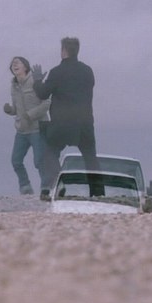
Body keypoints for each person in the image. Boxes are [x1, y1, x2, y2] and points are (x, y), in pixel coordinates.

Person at [32, 37, 100, 201]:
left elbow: (42, 94)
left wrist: (38, 80)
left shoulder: (56, 72)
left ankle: (55, 184)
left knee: (49, 151)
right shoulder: (87, 71)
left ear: (63, 51)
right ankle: (98, 193)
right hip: (84, 123)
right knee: (90, 158)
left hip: (61, 123)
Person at [3, 56, 51, 195]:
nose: (14, 64)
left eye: (17, 62)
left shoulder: (35, 81)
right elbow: (17, 109)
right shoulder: (14, 85)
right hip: (22, 130)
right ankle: (25, 187)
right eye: (12, 63)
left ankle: (46, 187)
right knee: (16, 161)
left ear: (25, 66)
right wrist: (10, 110)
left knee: (39, 161)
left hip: (37, 128)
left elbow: (47, 103)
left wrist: (31, 115)